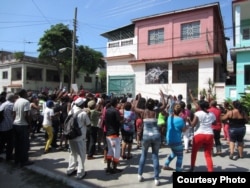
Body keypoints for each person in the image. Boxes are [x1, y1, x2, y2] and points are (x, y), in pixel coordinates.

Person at [133, 90, 166, 186]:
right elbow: (164, 105)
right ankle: (157, 178)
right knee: (155, 156)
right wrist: (163, 96)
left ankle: (139, 174)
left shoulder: (143, 112)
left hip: (146, 136)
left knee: (143, 155)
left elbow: (134, 108)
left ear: (146, 105)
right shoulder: (156, 111)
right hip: (156, 136)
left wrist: (138, 98)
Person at [187, 100, 216, 172]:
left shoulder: (198, 113)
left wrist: (188, 120)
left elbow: (193, 125)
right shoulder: (212, 114)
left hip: (199, 134)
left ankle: (192, 167)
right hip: (209, 134)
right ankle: (210, 170)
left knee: (194, 151)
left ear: (201, 106)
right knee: (208, 154)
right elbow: (214, 123)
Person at [66, 97, 90, 179]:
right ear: (82, 104)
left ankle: (70, 170)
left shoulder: (71, 111)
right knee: (81, 154)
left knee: (72, 153)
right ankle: (80, 172)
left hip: (71, 135)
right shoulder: (83, 113)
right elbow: (88, 124)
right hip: (80, 137)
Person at [12, 89, 34, 167]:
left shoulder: (16, 101)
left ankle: (17, 160)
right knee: (24, 144)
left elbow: (14, 114)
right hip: (23, 125)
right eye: (26, 93)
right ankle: (24, 160)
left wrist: (13, 122)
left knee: (17, 144)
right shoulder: (26, 102)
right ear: (24, 94)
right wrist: (29, 124)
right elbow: (26, 115)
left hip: (15, 124)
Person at [162, 103, 186, 172]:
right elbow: (184, 130)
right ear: (180, 111)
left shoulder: (169, 118)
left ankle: (166, 164)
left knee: (174, 153)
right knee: (180, 156)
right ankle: (178, 170)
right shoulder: (180, 120)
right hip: (176, 140)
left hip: (169, 139)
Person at [104, 97, 123, 174]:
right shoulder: (115, 111)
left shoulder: (107, 110)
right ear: (115, 103)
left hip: (108, 134)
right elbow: (119, 121)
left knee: (110, 152)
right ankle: (114, 168)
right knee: (116, 152)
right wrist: (123, 120)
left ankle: (108, 167)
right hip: (114, 134)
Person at [0, 92, 16, 161]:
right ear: (12, 98)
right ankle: (8, 156)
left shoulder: (3, 104)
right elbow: (14, 115)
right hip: (9, 126)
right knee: (10, 143)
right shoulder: (12, 105)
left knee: (1, 143)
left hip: (1, 126)